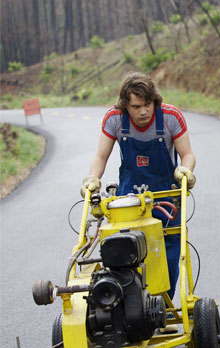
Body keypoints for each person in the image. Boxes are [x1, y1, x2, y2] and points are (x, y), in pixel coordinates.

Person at [81, 72, 196, 309]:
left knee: (170, 254)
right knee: (124, 250)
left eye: (148, 105)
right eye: (136, 106)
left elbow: (187, 154)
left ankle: (161, 306)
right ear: (125, 105)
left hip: (166, 196)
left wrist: (185, 170)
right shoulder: (114, 119)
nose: (143, 111)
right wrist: (92, 179)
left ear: (155, 101)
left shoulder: (170, 118)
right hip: (130, 198)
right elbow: (101, 156)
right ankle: (129, 308)